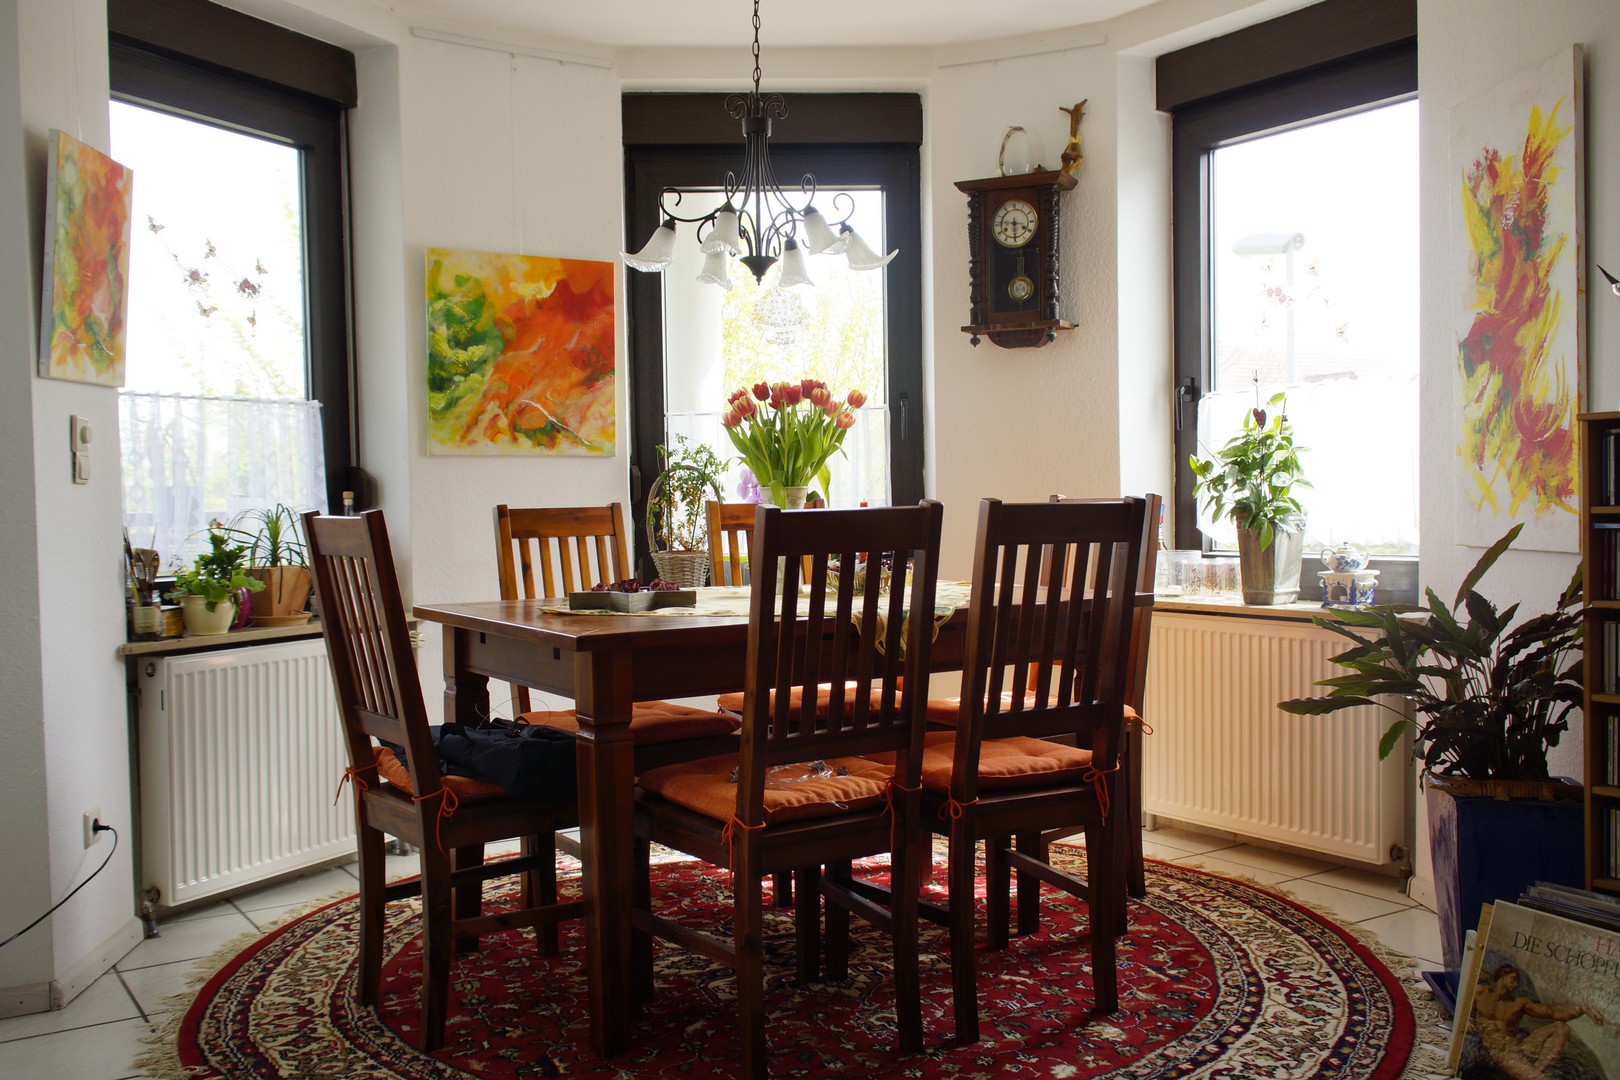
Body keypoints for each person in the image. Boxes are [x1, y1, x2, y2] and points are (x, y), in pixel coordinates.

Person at [1471, 963, 1589, 1080]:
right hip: (1500, 1051)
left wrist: (1582, 1009)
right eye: (1513, 979)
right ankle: (1534, 1074)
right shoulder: (1480, 992)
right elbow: (1466, 1010)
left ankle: (1537, 1070)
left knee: (1561, 1027)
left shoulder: (1519, 1003)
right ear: (1503, 975)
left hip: (1519, 1046)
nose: (1516, 984)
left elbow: (1553, 1013)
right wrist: (1468, 1022)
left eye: (1517, 981)